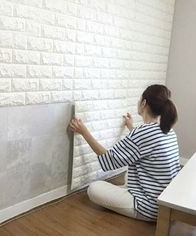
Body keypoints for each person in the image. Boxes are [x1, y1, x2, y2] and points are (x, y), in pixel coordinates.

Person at [69, 84, 181, 222]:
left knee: (93, 188)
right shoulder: (167, 130)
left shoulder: (142, 133)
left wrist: (84, 131)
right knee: (130, 172)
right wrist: (131, 127)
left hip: (149, 207)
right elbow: (144, 147)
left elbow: (109, 160)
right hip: (164, 204)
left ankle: (128, 198)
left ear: (144, 103)